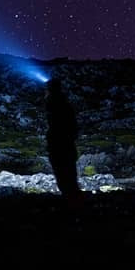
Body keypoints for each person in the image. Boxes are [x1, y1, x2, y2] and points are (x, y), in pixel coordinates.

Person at [46, 77, 83, 207]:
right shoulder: (64, 105)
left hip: (60, 146)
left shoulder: (57, 105)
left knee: (64, 174)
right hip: (65, 146)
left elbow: (62, 127)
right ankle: (73, 200)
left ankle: (72, 202)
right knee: (68, 174)